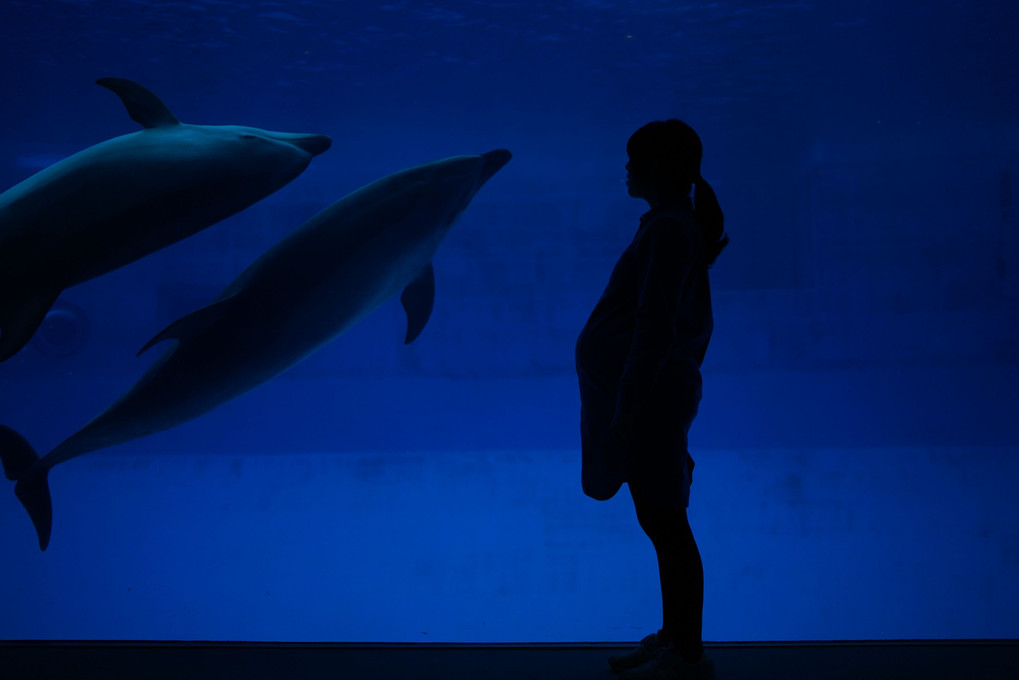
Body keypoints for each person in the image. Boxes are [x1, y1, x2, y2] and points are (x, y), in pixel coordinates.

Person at [575, 119, 727, 680]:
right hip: (652, 398)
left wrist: (629, 407)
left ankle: (688, 656)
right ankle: (674, 639)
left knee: (667, 524)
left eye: (634, 159)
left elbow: (656, 327)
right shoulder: (666, 226)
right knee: (660, 520)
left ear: (658, 168)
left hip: (650, 402)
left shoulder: (668, 231)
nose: (626, 168)